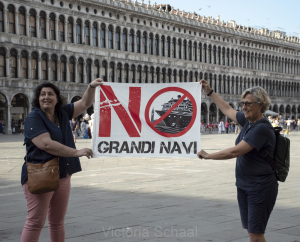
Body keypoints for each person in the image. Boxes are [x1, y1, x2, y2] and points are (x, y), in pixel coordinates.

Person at [20, 79, 103, 242]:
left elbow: (85, 102)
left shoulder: (62, 113)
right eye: (42, 94)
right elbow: (46, 144)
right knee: (36, 221)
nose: (46, 97)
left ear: (57, 99)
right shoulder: (33, 117)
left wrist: (91, 87)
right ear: (38, 99)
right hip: (40, 173)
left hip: (63, 174)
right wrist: (76, 152)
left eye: (50, 94)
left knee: (57, 222)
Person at [197, 80, 277, 242]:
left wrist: (208, 155)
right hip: (245, 185)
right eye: (243, 103)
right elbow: (227, 109)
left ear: (260, 105)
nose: (244, 107)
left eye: (248, 104)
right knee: (251, 231)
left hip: (260, 187)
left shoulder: (261, 127)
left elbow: (236, 151)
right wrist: (210, 92)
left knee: (256, 234)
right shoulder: (248, 121)